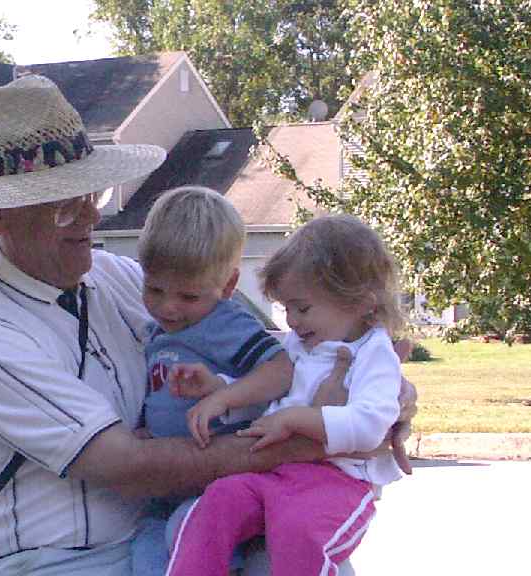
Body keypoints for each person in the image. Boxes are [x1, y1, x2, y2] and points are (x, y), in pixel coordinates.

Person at [0, 74, 416, 576]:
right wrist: (321, 437)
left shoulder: (120, 280)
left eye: (92, 196)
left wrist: (379, 386)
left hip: (160, 531)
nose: (89, 218)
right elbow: (129, 468)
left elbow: (267, 351)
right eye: (64, 206)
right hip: (54, 560)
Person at [165, 214, 406, 576]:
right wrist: (221, 392)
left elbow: (371, 426)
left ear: (361, 301)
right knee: (218, 500)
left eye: (302, 308)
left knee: (296, 531)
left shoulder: (374, 353)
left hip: (338, 482)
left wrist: (295, 420)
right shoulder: (300, 343)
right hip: (276, 472)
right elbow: (273, 393)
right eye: (286, 308)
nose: (291, 320)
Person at [132, 186, 288, 576]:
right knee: (146, 553)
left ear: (228, 286)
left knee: (189, 537)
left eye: (188, 297)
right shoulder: (158, 330)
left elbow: (282, 369)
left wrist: (224, 395)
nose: (168, 306)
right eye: (154, 289)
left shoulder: (225, 323)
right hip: (170, 488)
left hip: (222, 484)